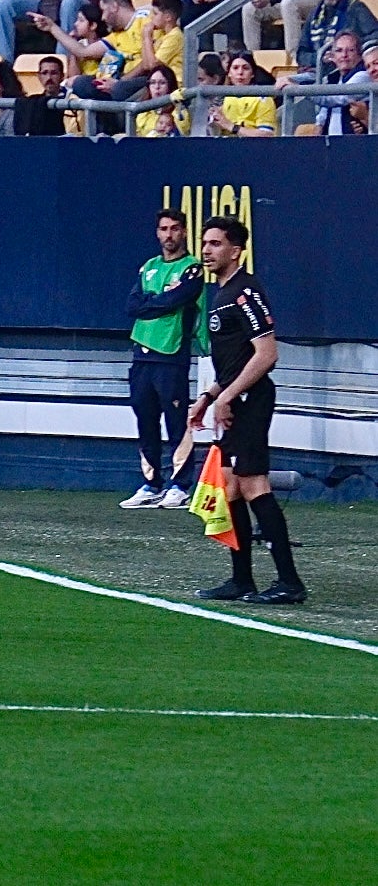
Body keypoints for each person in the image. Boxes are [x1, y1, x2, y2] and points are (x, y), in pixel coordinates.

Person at [189, 217, 307, 605]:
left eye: (216, 244)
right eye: (205, 243)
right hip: (232, 400)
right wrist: (210, 396)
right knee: (230, 484)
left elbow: (266, 354)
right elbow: (235, 360)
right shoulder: (217, 292)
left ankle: (289, 582)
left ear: (236, 251)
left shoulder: (245, 292)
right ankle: (242, 579)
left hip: (251, 401)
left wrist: (228, 397)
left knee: (254, 484)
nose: (207, 250)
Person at [119, 208, 205, 511]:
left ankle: (180, 485)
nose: (168, 235)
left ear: (184, 232)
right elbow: (132, 305)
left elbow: (177, 299)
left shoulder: (192, 268)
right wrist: (158, 302)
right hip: (141, 354)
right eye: (163, 229)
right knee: (145, 419)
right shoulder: (149, 267)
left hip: (171, 354)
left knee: (177, 421)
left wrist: (152, 302)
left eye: (175, 229)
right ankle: (151, 484)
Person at [294, 0, 378, 73]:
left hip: (345, 72)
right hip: (314, 72)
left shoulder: (356, 8)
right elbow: (301, 54)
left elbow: (376, 35)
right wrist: (320, 58)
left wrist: (349, 49)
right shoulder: (315, 13)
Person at [208, 51, 276, 137]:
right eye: (235, 68)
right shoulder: (224, 98)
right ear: (229, 73)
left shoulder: (263, 99)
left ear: (252, 74)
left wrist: (231, 126)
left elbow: (267, 135)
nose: (240, 72)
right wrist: (214, 123)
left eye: (246, 68)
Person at [13, 55, 69, 135]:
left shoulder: (72, 99)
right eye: (44, 73)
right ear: (39, 76)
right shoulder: (32, 103)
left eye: (54, 73)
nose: (49, 78)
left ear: (62, 76)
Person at [132, 64, 188, 137]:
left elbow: (185, 131)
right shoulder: (143, 111)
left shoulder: (179, 109)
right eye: (153, 82)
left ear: (170, 85)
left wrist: (178, 104)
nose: (157, 87)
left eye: (162, 83)